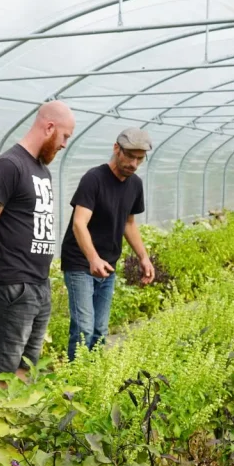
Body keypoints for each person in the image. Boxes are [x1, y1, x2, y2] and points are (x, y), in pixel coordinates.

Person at [0, 101, 75, 393]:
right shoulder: (9, 165)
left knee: (26, 366)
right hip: (14, 283)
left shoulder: (40, 169)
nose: (65, 144)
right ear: (49, 127)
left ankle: (13, 432)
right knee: (0, 372)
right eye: (64, 136)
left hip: (38, 283)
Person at [60, 127, 155, 361]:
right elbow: (79, 224)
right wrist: (93, 258)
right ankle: (74, 381)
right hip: (80, 262)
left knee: (100, 331)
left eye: (139, 159)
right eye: (129, 156)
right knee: (84, 327)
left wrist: (143, 257)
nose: (133, 164)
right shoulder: (94, 179)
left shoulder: (135, 185)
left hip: (108, 265)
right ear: (116, 149)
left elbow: (129, 223)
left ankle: (91, 376)